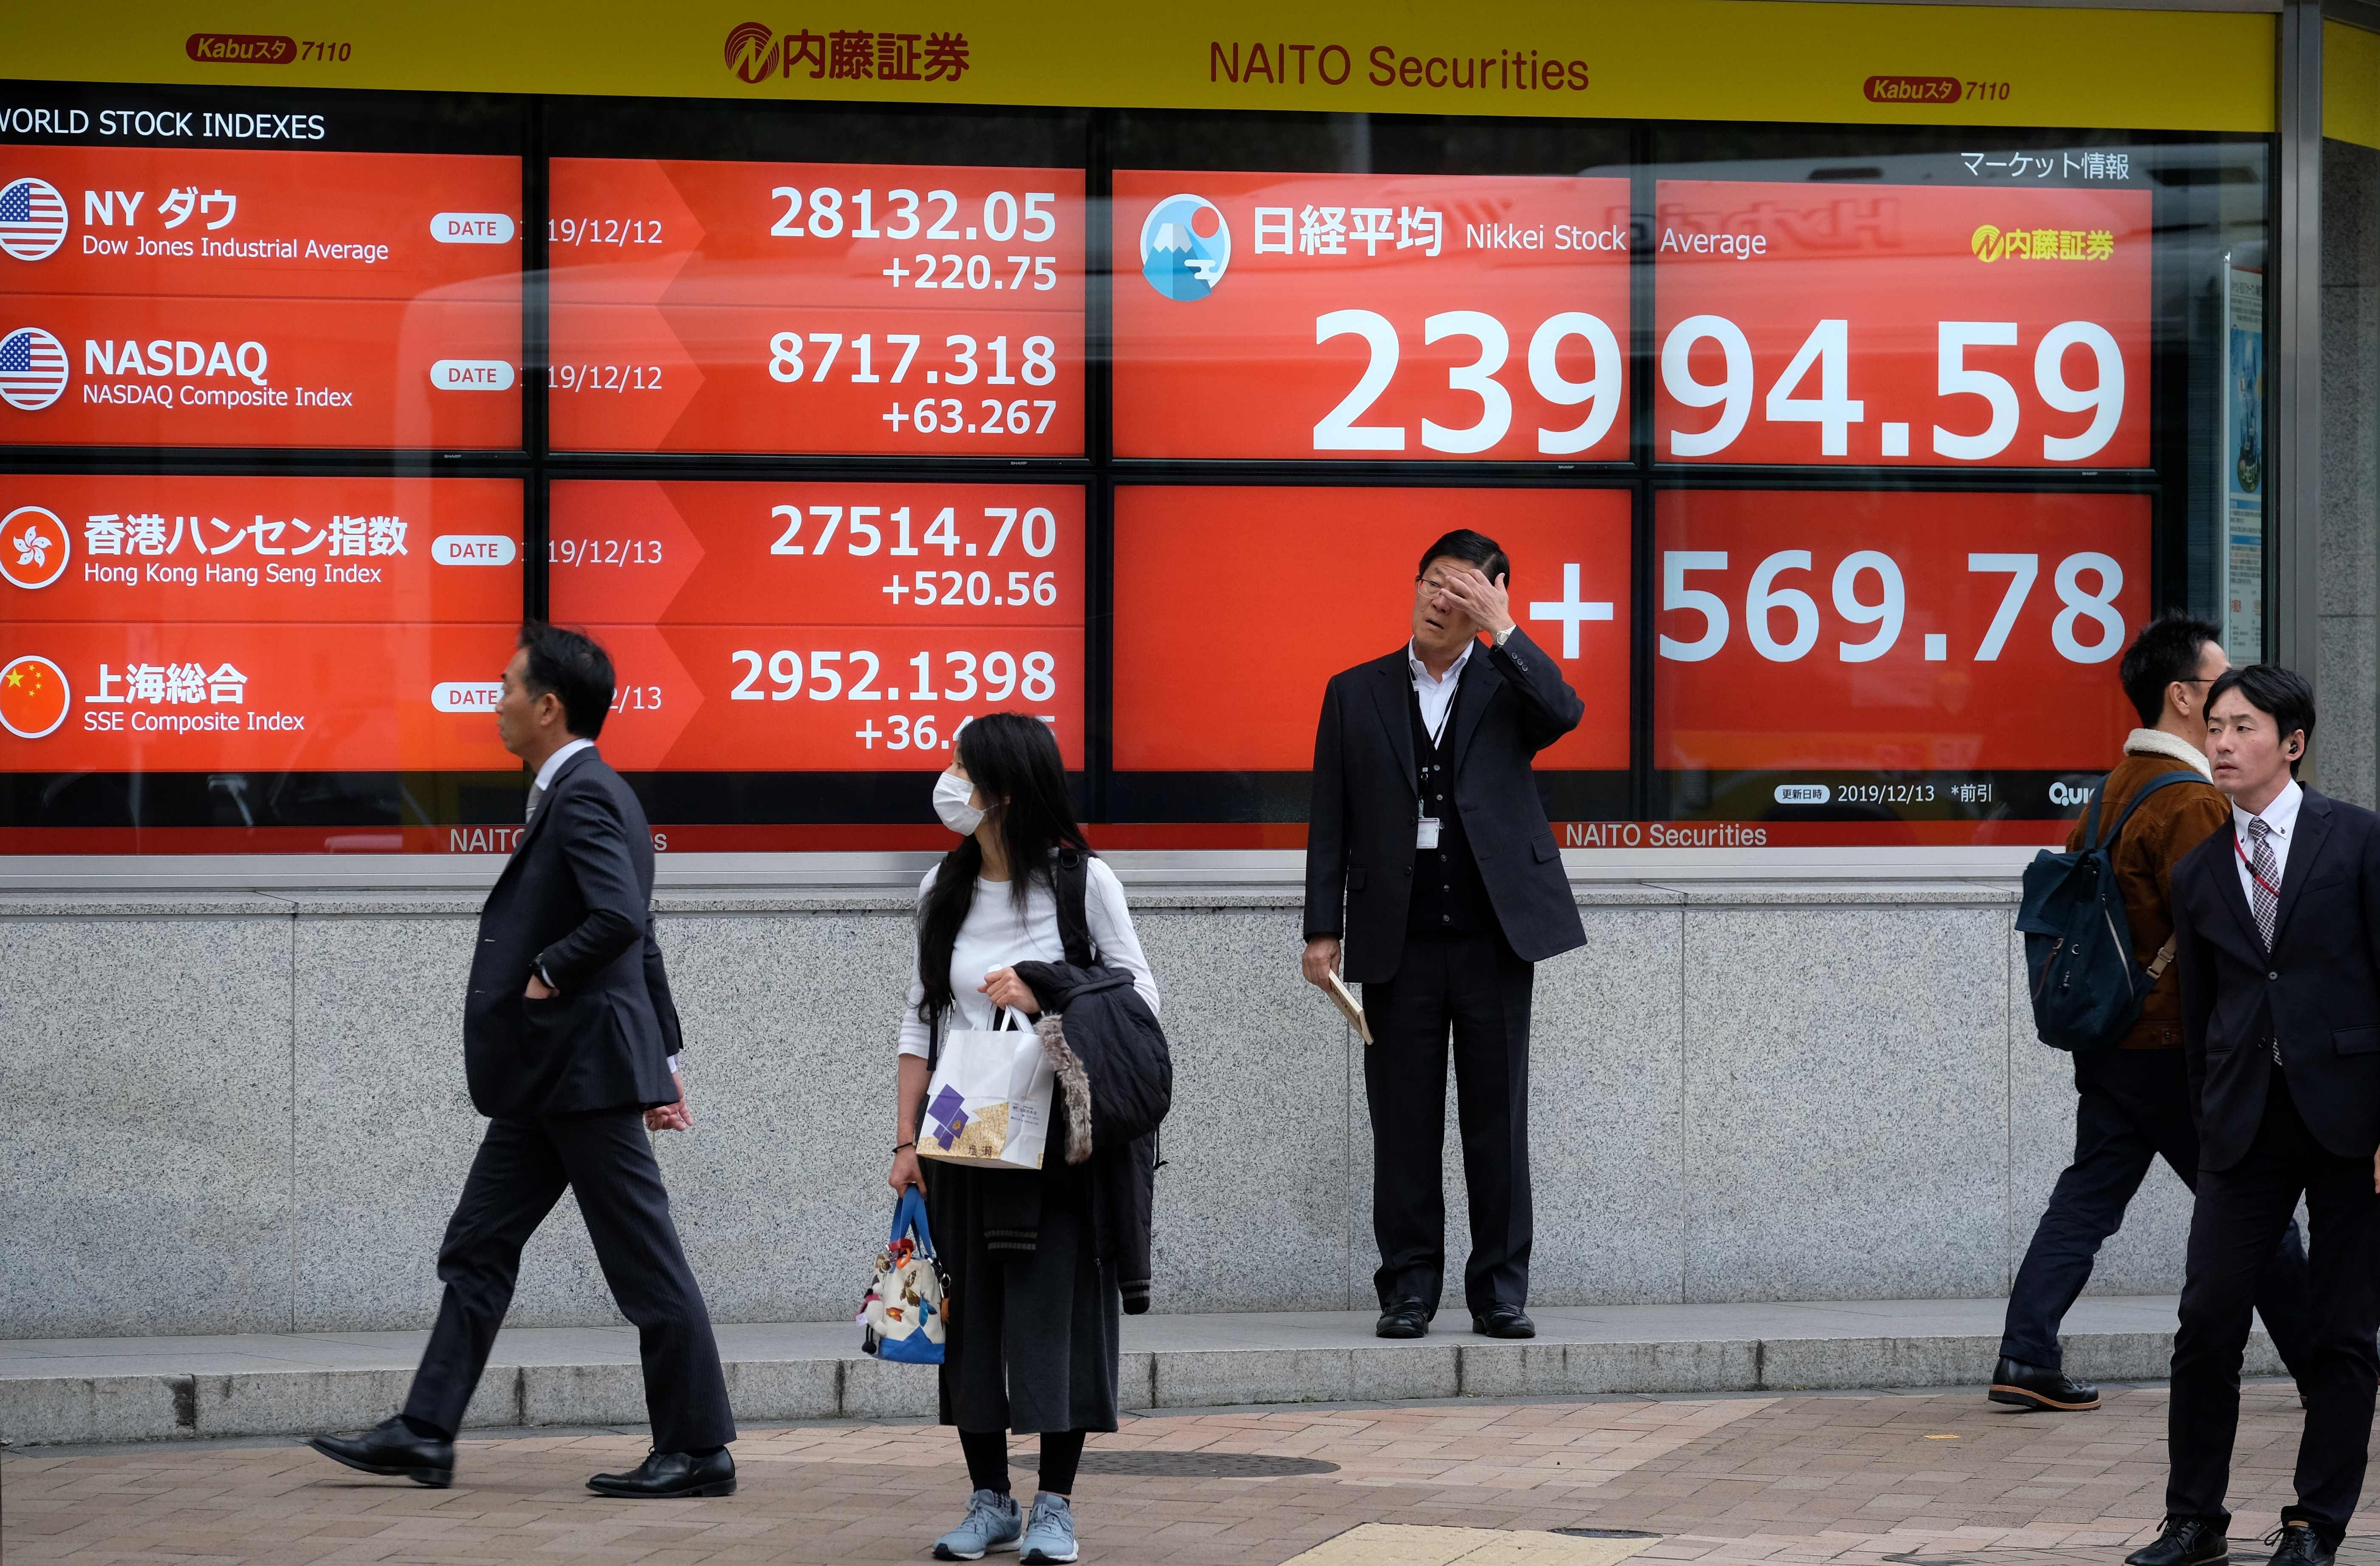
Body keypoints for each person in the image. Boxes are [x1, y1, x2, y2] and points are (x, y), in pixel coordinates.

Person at [308, 623, 735, 1498]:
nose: (495, 700)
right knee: (479, 1241)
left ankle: (698, 1447)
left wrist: (547, 970)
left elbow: (617, 917)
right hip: (557, 1074)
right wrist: (669, 1052)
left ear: (548, 705)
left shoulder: (582, 792)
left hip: (580, 1071)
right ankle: (427, 1430)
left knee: (645, 1263)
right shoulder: (581, 792)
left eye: (507, 685)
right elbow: (639, 932)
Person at [1992, 616, 2312, 1414]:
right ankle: (2330, 1368)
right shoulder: (2192, 802)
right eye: (2220, 688)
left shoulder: (2113, 790)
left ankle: (2027, 1355)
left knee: (2090, 1194)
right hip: (2171, 1043)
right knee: (2256, 1200)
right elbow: (2230, 931)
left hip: (2113, 1038)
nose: (2233, 703)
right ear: (2182, 697)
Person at [1300, 529, 1586, 1341]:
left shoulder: (1508, 682)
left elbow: (1566, 712)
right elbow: (1332, 820)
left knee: (1497, 1118)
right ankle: (1409, 1289)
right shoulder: (1354, 692)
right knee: (1404, 1121)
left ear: (1489, 599)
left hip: (1496, 935)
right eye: (1432, 582)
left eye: (1461, 589)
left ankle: (1499, 1289)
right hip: (1398, 939)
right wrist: (1324, 930)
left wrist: (1508, 629)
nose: (1439, 599)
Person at [891, 712, 1161, 1565]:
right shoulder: (943, 884)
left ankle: (1054, 1503)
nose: (949, 782)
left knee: (1059, 1314)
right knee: (970, 1316)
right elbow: (921, 1016)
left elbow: (1139, 1001)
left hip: (1061, 1135)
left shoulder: (1086, 884)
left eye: (962, 770)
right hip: (962, 1117)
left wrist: (1048, 988)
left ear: (1002, 789)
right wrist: (904, 1141)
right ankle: (987, 1499)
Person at [2128, 666, 2380, 1566]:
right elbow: (2203, 1012)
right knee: (2207, 1320)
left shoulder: (2357, 840)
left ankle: (2318, 1521)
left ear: (2293, 742)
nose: (2222, 742)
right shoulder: (2199, 869)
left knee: (2344, 1328)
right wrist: (2208, 1109)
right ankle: (2194, 1517)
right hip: (2242, 1123)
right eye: (2216, 727)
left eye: (2242, 727)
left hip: (2352, 1118)